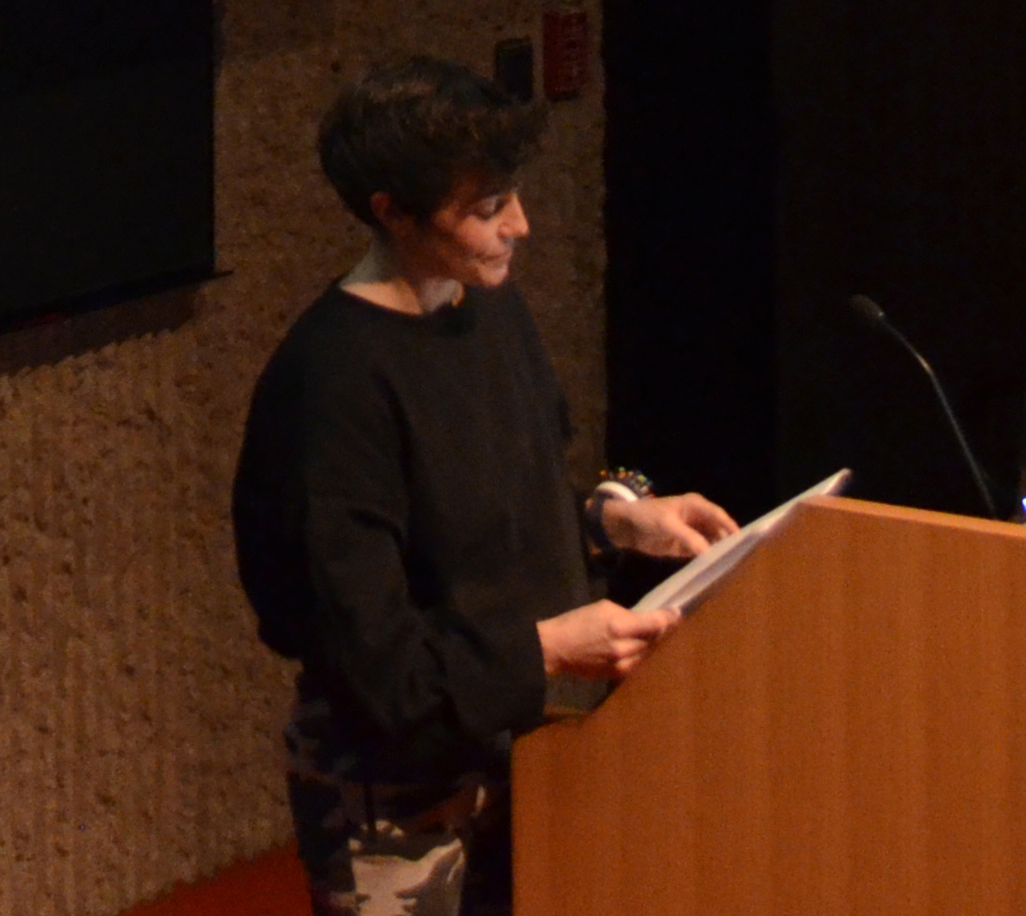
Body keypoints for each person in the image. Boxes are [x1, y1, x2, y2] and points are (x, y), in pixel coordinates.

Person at [229, 56, 738, 916]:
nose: (521, 226)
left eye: (512, 195)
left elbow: (488, 510)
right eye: (486, 208)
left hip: (522, 758)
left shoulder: (488, 309)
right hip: (397, 800)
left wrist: (618, 516)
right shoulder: (334, 386)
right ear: (391, 210)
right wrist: (545, 650)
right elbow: (376, 665)